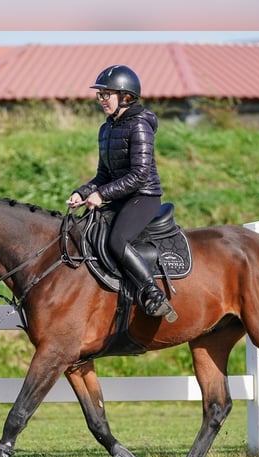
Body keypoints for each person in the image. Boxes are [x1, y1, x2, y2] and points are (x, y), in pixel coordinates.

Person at [68, 64, 177, 322]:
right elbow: (103, 175)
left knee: (116, 240)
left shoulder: (139, 125)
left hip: (144, 196)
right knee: (84, 230)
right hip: (120, 196)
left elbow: (139, 175)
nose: (102, 99)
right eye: (100, 94)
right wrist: (82, 192)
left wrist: (102, 195)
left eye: (107, 93)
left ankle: (152, 293)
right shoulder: (106, 129)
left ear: (126, 97)